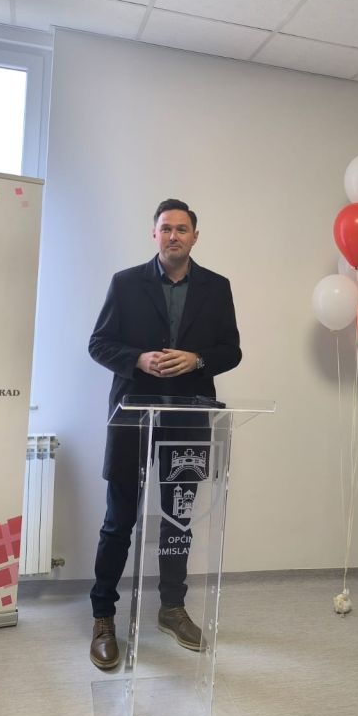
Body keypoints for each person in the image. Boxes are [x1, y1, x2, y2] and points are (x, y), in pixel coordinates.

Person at [87, 198, 242, 669]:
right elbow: (99, 344)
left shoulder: (217, 287)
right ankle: (103, 617)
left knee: (178, 521)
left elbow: (231, 351)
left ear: (195, 236)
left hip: (188, 419)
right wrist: (137, 359)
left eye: (182, 229)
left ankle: (172, 608)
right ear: (154, 234)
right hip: (133, 416)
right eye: (166, 228)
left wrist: (198, 359)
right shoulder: (125, 283)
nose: (174, 235)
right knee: (119, 520)